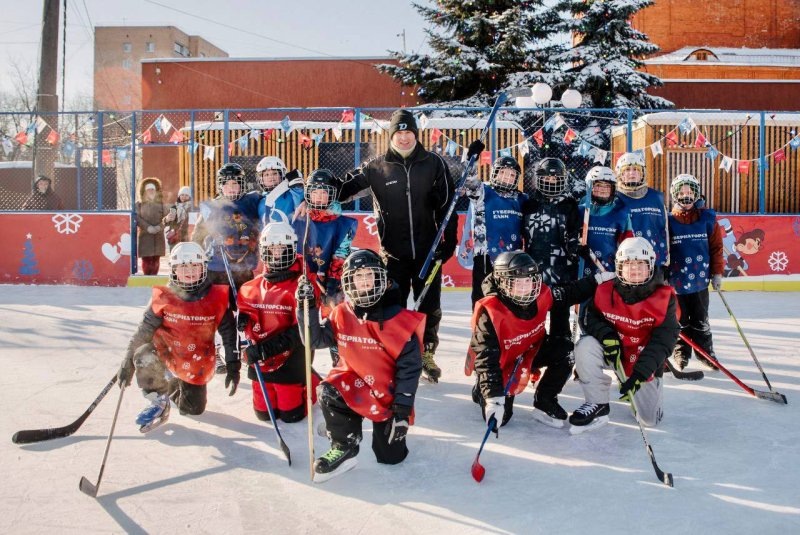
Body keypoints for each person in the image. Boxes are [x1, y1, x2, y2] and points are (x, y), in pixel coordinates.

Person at [337, 109, 466, 383]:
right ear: (392, 135)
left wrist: (449, 241)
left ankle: (426, 353)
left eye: (409, 132)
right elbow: (343, 189)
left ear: (416, 135)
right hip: (393, 255)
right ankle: (392, 352)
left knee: (429, 307)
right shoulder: (376, 167)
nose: (404, 137)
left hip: (428, 252)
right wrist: (314, 190)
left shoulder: (434, 164)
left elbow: (448, 206)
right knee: (391, 306)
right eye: (399, 132)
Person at [296, 249, 425, 482]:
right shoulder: (342, 313)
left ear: (381, 278)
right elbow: (313, 341)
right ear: (349, 281)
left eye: (369, 275)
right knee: (328, 389)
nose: (364, 281)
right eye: (358, 276)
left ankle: (381, 430)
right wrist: (306, 307)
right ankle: (343, 442)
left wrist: (402, 411)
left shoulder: (400, 321)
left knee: (390, 456)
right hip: (353, 384)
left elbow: (410, 370)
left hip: (387, 395)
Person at [466, 251, 612, 429]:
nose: (524, 288)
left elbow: (569, 293)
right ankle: (481, 390)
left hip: (530, 349)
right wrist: (493, 398)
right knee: (501, 419)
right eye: (517, 282)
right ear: (502, 282)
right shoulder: (490, 312)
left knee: (566, 352)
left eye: (528, 281)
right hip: (502, 363)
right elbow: (486, 360)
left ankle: (545, 399)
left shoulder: (541, 294)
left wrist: (597, 280)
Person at [116, 241, 240, 432]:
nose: (190, 271)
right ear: (174, 269)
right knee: (143, 353)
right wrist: (127, 362)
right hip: (166, 353)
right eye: (183, 266)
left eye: (195, 266)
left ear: (203, 267)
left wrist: (232, 364)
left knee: (193, 410)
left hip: (195, 361)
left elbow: (229, 334)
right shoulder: (164, 297)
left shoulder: (216, 297)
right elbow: (143, 331)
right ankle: (158, 399)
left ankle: (174, 385)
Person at [569, 237, 680, 434]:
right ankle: (597, 403)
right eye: (628, 264)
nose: (634, 269)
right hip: (614, 352)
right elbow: (590, 318)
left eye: (640, 264)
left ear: (651, 266)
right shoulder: (605, 289)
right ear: (619, 267)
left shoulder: (665, 298)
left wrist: (641, 373)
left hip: (642, 360)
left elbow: (664, 341)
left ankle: (641, 384)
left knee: (648, 420)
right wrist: (607, 336)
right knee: (585, 346)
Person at [237, 222, 320, 422]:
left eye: (282, 248)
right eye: (272, 248)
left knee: (291, 415)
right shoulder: (252, 286)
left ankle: (312, 381)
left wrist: (265, 349)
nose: (276, 253)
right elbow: (248, 313)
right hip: (261, 361)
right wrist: (244, 318)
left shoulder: (303, 284)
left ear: (291, 248)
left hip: (291, 358)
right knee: (264, 414)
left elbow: (302, 331)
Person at [297, 169, 357, 365]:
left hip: (331, 281)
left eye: (324, 192)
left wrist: (332, 282)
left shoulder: (342, 223)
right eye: (315, 192)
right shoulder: (300, 218)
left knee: (335, 321)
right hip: (306, 281)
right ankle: (304, 367)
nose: (319, 196)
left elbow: (341, 254)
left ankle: (340, 364)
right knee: (306, 325)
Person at [667, 174, 724, 370]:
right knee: (680, 320)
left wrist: (717, 273)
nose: (686, 196)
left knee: (700, 319)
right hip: (676, 282)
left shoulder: (707, 218)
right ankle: (681, 352)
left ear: (697, 194)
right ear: (675, 195)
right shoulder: (668, 221)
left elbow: (716, 248)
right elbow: (664, 251)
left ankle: (705, 353)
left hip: (700, 281)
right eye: (682, 192)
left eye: (690, 192)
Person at [522, 157, 581, 340]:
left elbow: (575, 235)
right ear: (539, 179)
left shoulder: (569, 205)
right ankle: (534, 351)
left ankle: (561, 352)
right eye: (547, 178)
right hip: (534, 273)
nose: (551, 182)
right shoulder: (529, 204)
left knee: (560, 322)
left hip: (562, 273)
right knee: (533, 320)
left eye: (555, 179)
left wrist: (576, 248)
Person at [462, 156, 527, 307]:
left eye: (512, 174)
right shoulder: (484, 191)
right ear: (495, 173)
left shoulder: (522, 198)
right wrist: (471, 159)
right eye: (503, 172)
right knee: (483, 300)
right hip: (485, 257)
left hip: (512, 259)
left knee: (509, 302)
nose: (507, 177)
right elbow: (469, 181)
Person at [192, 163, 262, 288]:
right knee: (219, 299)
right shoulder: (212, 207)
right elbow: (198, 235)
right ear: (220, 186)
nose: (231, 188)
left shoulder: (252, 201)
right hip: (216, 267)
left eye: (235, 183)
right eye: (226, 184)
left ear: (242, 184)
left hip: (245, 266)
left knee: (244, 299)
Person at [614, 152, 670, 273]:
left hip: (655, 262)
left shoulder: (656, 197)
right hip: (627, 264)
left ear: (642, 173)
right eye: (627, 170)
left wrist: (666, 261)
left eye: (636, 169)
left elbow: (665, 229)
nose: (632, 173)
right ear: (620, 174)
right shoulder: (614, 199)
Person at [579, 166, 633, 277]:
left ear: (613, 189)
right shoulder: (579, 211)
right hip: (581, 270)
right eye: (598, 185)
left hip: (608, 271)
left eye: (607, 186)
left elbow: (628, 244)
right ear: (590, 187)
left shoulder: (621, 214)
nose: (603, 189)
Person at [255, 156, 306, 228]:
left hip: (290, 234)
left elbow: (300, 204)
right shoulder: (259, 200)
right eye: (266, 175)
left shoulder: (291, 194)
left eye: (275, 173)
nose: (271, 177)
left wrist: (297, 187)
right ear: (261, 179)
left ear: (281, 175)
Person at [135, 178, 169, 275]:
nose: (151, 191)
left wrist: (159, 227)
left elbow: (167, 218)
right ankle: (147, 277)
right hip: (145, 236)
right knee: (146, 259)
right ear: (144, 191)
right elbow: (137, 218)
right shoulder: (139, 204)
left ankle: (154, 278)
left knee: (155, 260)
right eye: (148, 190)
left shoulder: (161, 204)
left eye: (152, 189)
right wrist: (147, 227)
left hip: (158, 236)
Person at [164, 186, 193, 251]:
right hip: (174, 237)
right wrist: (167, 219)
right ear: (179, 196)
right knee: (175, 254)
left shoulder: (192, 208)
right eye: (182, 195)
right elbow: (166, 222)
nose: (184, 197)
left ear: (190, 197)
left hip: (186, 237)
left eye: (186, 195)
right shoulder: (174, 207)